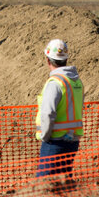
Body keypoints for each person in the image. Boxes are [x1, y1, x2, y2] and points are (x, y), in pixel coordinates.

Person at [35, 38, 84, 181]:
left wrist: (45, 136)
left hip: (55, 142)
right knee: (63, 184)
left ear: (48, 60)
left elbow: (48, 113)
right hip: (72, 140)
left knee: (44, 186)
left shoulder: (55, 83)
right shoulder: (75, 81)